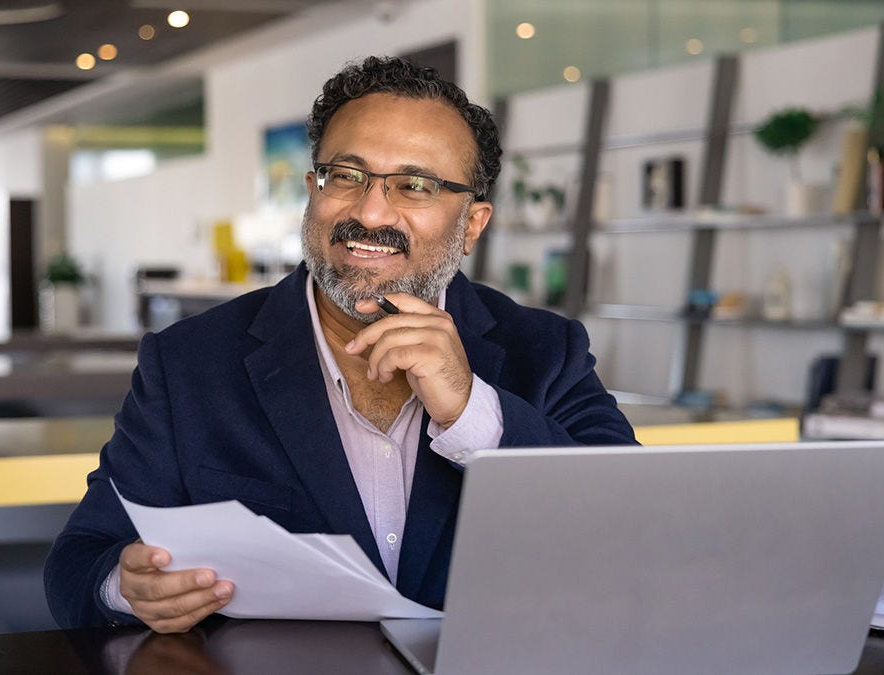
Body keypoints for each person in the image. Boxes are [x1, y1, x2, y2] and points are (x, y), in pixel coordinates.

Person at [45, 55, 636, 634]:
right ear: (312, 190)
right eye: (347, 176)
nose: (371, 210)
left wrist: (468, 408)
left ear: (473, 225)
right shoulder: (188, 362)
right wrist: (127, 589)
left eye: (415, 185)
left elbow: (631, 532)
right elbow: (80, 562)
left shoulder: (545, 350)